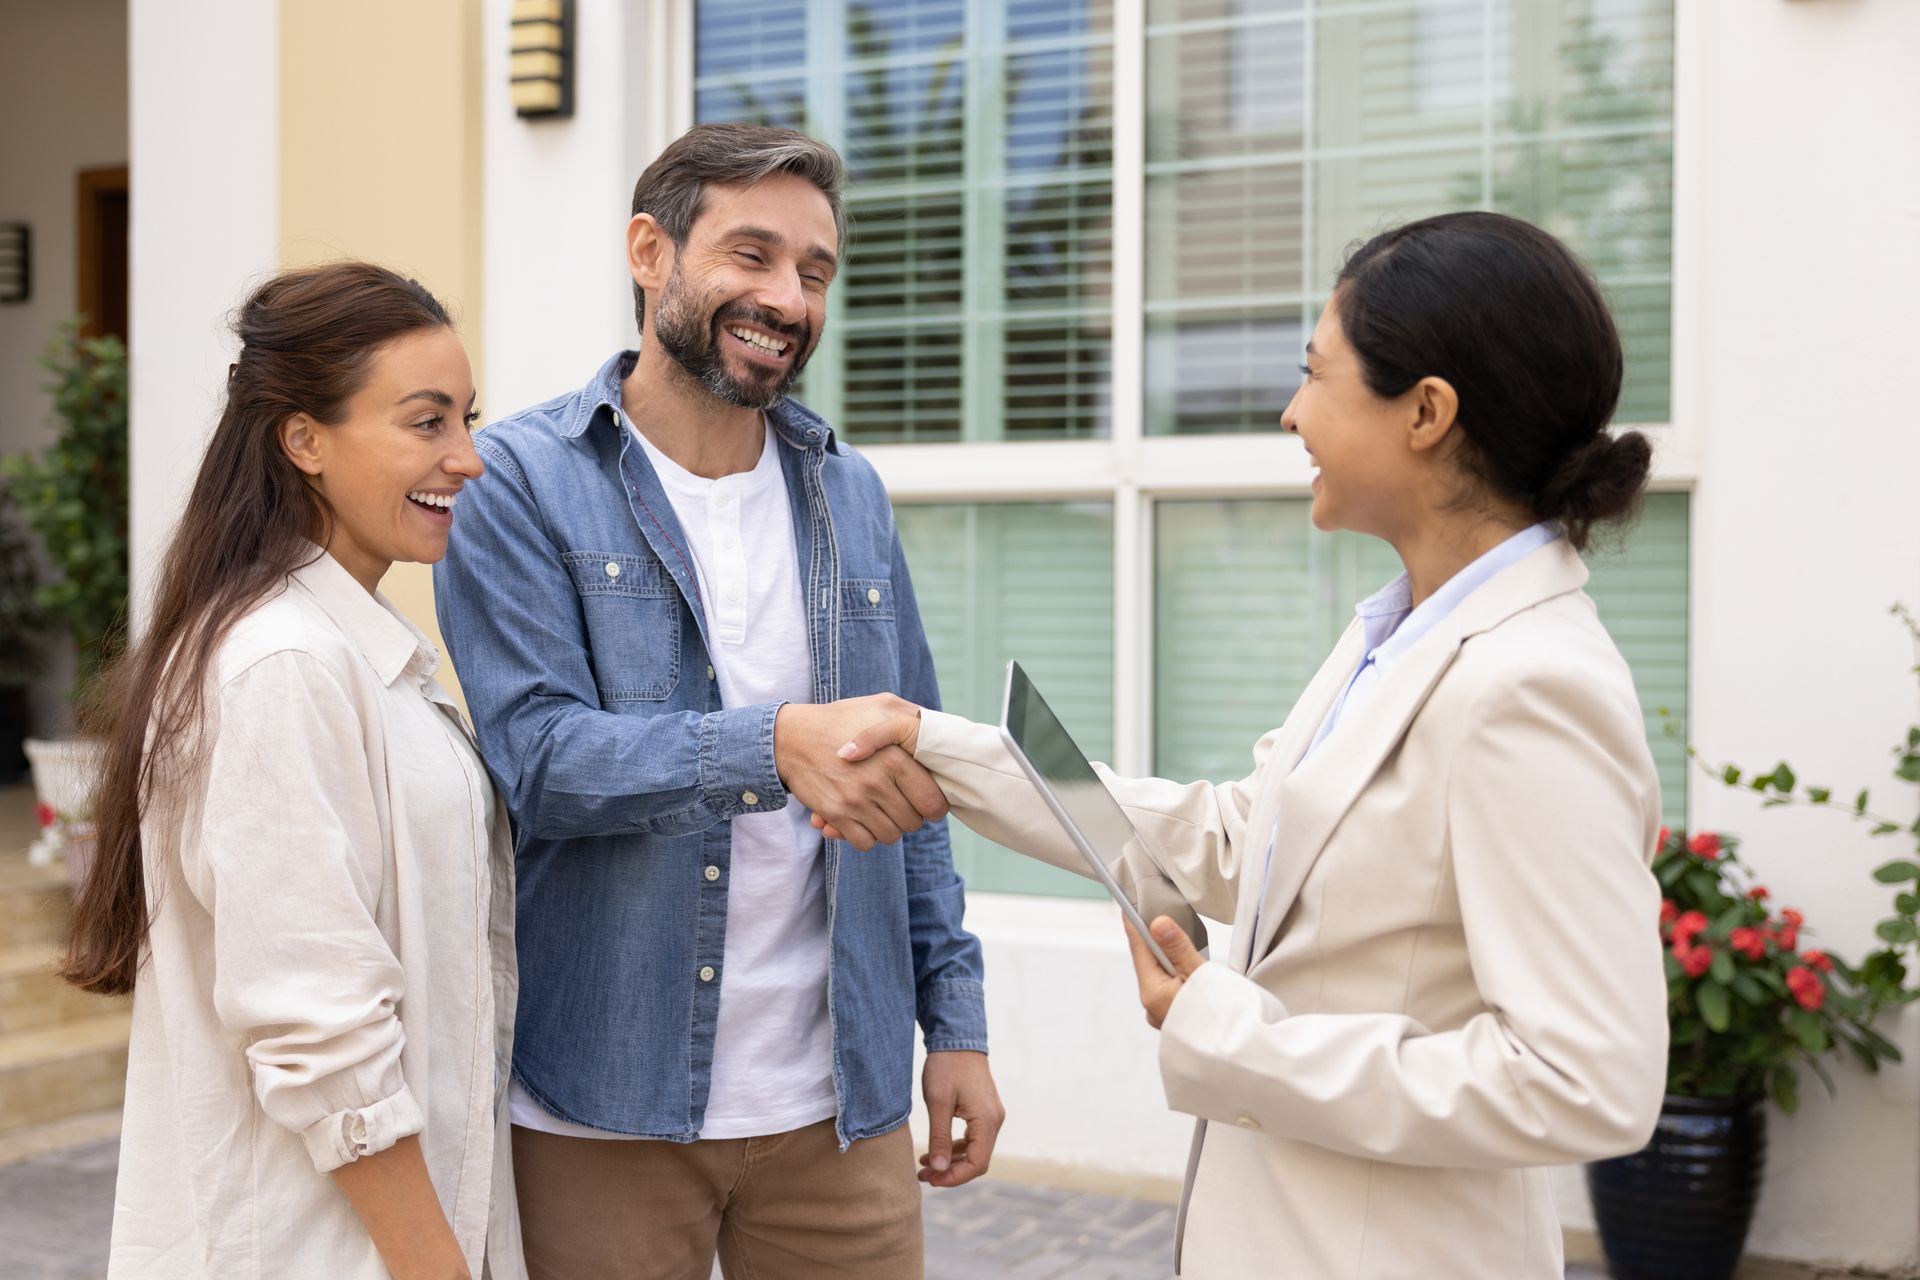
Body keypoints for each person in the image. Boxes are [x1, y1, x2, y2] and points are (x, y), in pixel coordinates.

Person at [827, 211, 1670, 1278]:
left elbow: (1584, 1077)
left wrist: (1227, 1030)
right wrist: (935, 747)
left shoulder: (1532, 684)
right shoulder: (1399, 629)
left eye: (1315, 373)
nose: (1291, 411)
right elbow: (1240, 833)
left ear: (1427, 411)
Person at [434, 122, 1000, 1280]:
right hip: (606, 1101)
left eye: (815, 270)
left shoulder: (848, 489)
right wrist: (776, 744)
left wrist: (958, 1022)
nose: (787, 297)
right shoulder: (523, 485)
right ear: (651, 251)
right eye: (751, 255)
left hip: (840, 1105)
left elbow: (918, 770)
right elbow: (541, 760)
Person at [61, 261, 523, 1279]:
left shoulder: (351, 645)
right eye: (427, 422)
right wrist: (439, 1267)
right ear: (304, 440)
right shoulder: (282, 665)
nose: (470, 458)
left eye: (467, 419)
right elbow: (319, 1028)